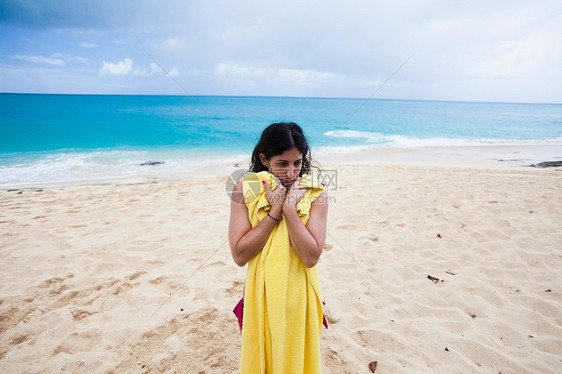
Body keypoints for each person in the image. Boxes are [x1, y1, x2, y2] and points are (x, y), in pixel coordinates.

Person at [229, 122, 329, 373]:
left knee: (296, 360)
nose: (291, 172)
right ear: (264, 159)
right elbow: (240, 254)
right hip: (260, 290)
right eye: (282, 163)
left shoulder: (316, 193)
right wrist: (274, 211)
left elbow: (310, 256)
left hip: (299, 291)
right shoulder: (246, 189)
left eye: (297, 163)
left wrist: (289, 210)